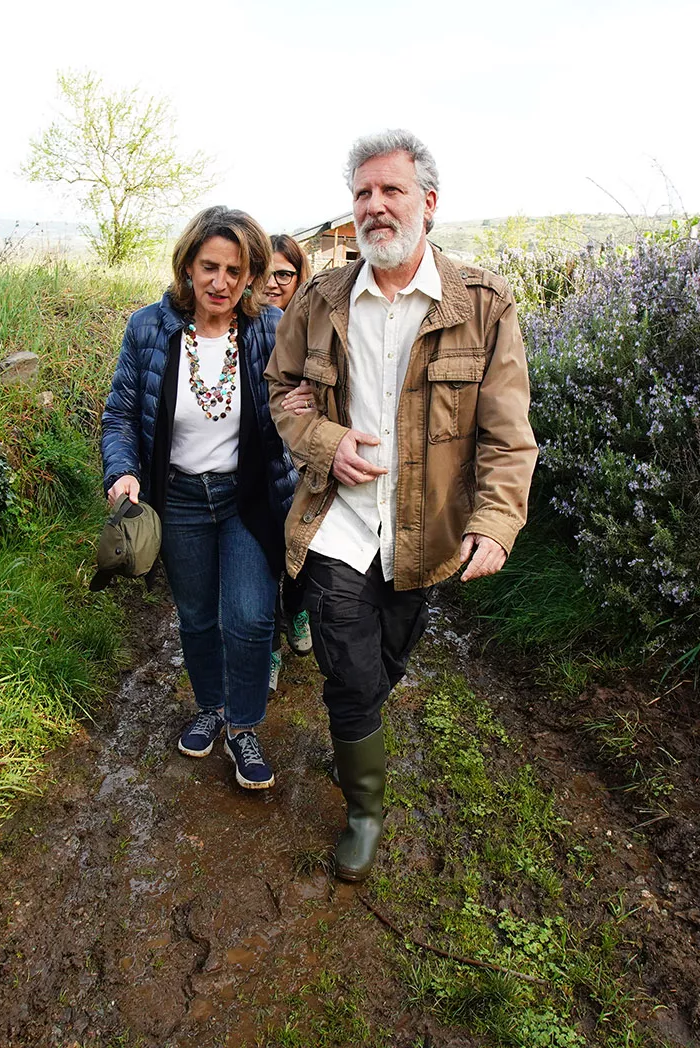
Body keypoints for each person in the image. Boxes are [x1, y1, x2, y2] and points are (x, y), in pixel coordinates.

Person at [266, 130, 538, 880]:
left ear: (429, 203)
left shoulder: (483, 304)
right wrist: (322, 440)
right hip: (337, 525)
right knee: (349, 671)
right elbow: (278, 392)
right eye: (362, 194)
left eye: (391, 191)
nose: (375, 206)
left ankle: (357, 739)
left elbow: (509, 433)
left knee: (384, 663)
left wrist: (495, 522)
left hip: (424, 534)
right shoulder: (319, 302)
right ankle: (364, 810)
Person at [102, 206, 296, 790]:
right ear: (187, 266)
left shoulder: (272, 328)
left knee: (250, 615)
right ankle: (209, 706)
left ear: (252, 274)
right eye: (209, 267)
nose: (221, 283)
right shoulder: (148, 328)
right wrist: (124, 470)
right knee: (196, 616)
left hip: (248, 497)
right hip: (180, 497)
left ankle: (243, 725)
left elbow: (302, 402)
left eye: (235, 271)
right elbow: (120, 415)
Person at [261, 233, 314, 666]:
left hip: (303, 459)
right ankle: (271, 641)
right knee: (262, 555)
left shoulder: (315, 323)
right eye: (266, 273)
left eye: (285, 273)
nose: (274, 282)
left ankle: (297, 611)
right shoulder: (238, 323)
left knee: (301, 547)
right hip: (258, 458)